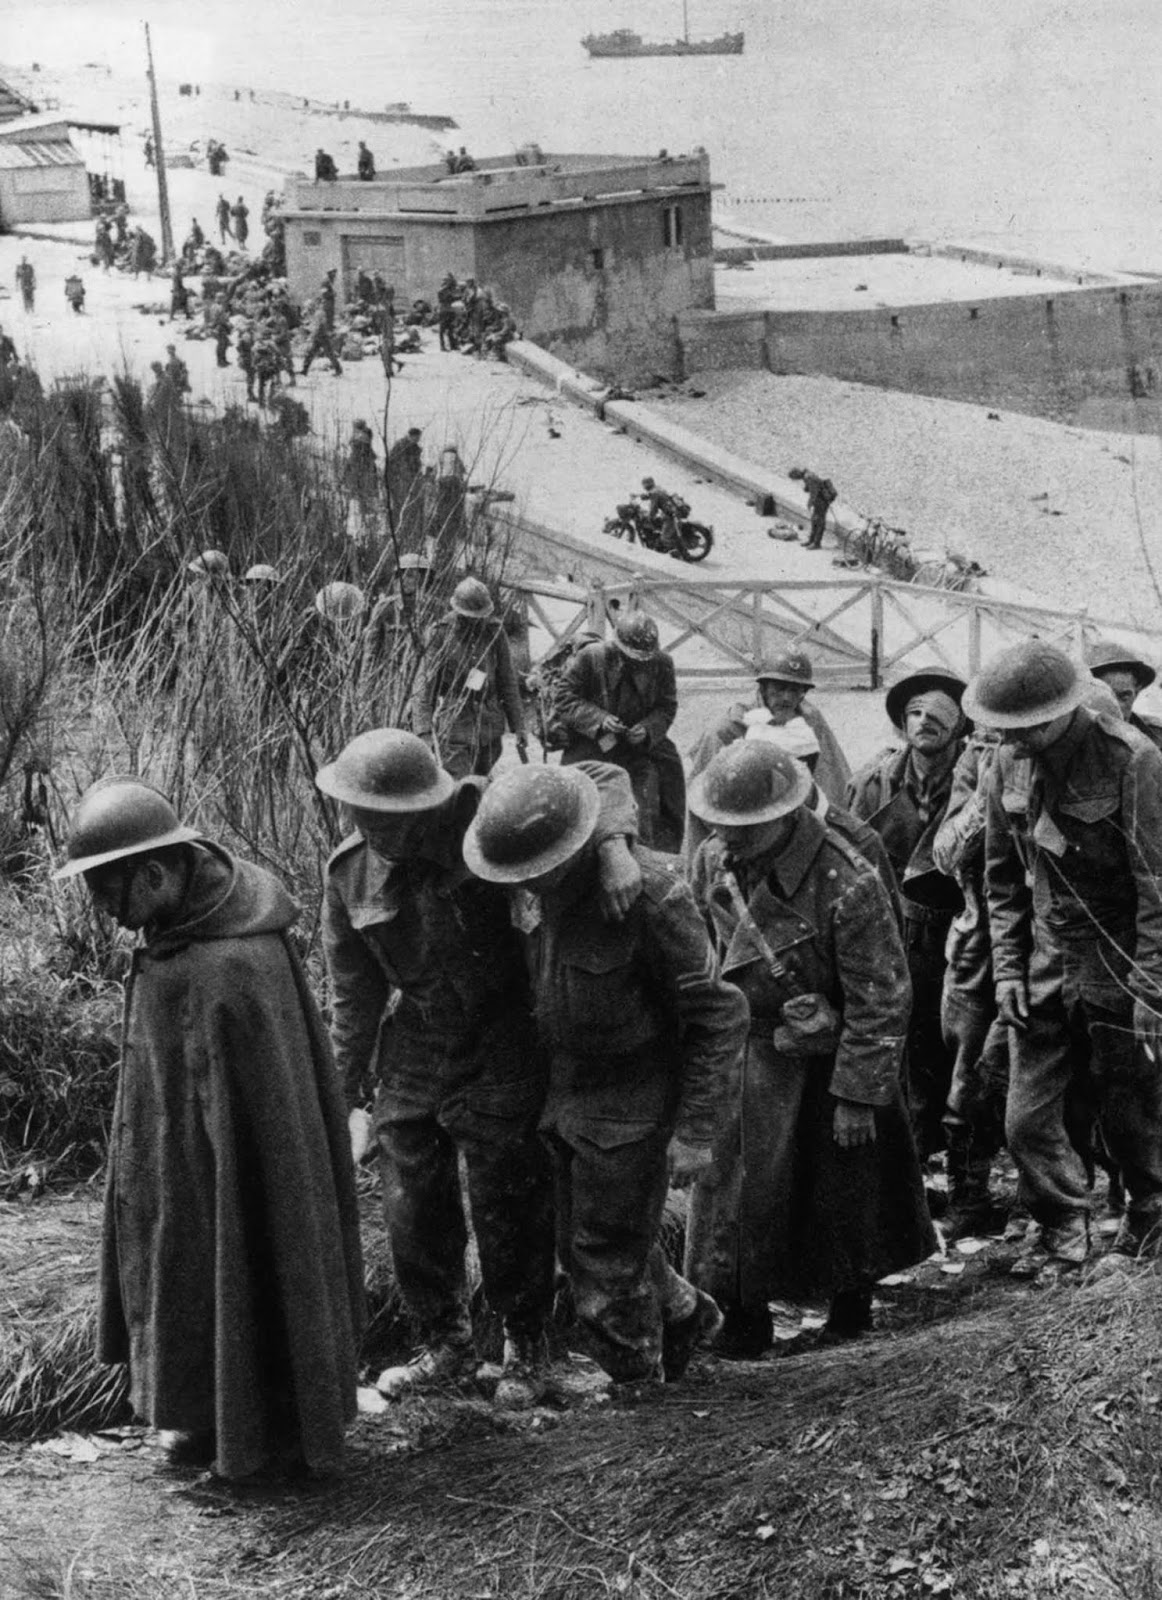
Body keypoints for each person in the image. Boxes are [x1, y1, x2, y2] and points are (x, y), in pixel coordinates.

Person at [317, 730, 641, 1406]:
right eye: (356, 814)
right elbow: (353, 995)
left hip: (505, 1030)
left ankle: (525, 1344)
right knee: (407, 1187)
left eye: (380, 817)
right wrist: (340, 1095)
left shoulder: (485, 810)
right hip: (419, 1036)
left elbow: (597, 776)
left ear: (422, 807)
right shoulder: (349, 873)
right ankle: (444, 1344)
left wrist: (612, 847)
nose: (366, 830)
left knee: (506, 1183)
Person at [54, 778, 364, 1478]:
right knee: (192, 1254)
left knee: (248, 1238)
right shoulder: (190, 921)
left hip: (233, 1154)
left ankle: (268, 1435)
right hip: (184, 1151)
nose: (108, 916)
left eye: (111, 898)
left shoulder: (228, 959)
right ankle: (203, 1414)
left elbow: (255, 1102)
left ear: (157, 872)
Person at [463, 763, 748, 1386]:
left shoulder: (646, 895)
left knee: (602, 1263)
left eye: (539, 871)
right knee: (585, 1244)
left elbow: (719, 1016)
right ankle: (682, 1315)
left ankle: (635, 1395)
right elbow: (584, 770)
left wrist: (697, 1132)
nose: (528, 884)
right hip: (564, 1098)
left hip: (631, 1105)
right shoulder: (534, 878)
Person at [684, 741, 935, 1355]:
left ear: (785, 816)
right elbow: (700, 953)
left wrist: (856, 1095)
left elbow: (883, 996)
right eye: (721, 824)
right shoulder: (714, 861)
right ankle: (741, 1319)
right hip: (747, 1052)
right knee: (732, 1196)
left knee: (844, 1189)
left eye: (744, 826)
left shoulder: (845, 878)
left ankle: (850, 1312)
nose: (726, 837)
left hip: (826, 1061)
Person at [969, 641, 1162, 1272]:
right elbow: (1001, 882)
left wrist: (1150, 986)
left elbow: (1155, 883)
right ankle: (1062, 1223)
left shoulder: (1131, 759)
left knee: (1128, 1107)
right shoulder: (1006, 764)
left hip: (1117, 955)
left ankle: (1148, 1217)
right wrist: (1006, 972)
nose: (1012, 740)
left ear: (1058, 714)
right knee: (1023, 1115)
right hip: (1044, 961)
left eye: (1023, 729)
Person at [846, 668, 968, 1160]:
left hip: (960, 926)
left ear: (960, 727)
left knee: (955, 1044)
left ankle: (955, 1147)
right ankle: (913, 1148)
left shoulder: (975, 776)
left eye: (937, 717)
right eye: (914, 714)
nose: (923, 723)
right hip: (894, 926)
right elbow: (851, 853)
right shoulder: (874, 781)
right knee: (903, 1039)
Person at [930, 729, 1011, 1240]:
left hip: (1045, 941)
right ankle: (970, 1191)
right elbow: (946, 854)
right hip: (978, 943)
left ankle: (1045, 1203)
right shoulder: (976, 760)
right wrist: (986, 791)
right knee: (968, 1075)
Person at [555, 610, 685, 852]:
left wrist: (647, 729)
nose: (640, 664)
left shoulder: (663, 663)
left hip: (640, 746)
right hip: (594, 741)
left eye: (645, 659)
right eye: (634, 659)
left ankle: (658, 854)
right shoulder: (592, 657)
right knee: (571, 796)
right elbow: (563, 698)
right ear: (619, 647)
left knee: (667, 787)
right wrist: (600, 719)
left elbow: (666, 706)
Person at [687, 651, 851, 829]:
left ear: (804, 693)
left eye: (795, 690)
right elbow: (705, 799)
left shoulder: (810, 719)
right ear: (763, 688)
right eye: (779, 688)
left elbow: (833, 776)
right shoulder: (727, 727)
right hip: (741, 819)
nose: (787, 697)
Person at [411, 577, 527, 777]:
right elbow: (424, 686)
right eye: (469, 617)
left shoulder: (495, 632)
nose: (475, 621)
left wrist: (518, 726)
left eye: (480, 617)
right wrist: (423, 732)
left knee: (482, 784)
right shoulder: (440, 634)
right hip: (455, 726)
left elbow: (507, 681)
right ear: (458, 612)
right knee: (461, 787)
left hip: (489, 727)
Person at [1086, 638, 1162, 752]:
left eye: (1123, 697)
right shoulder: (1074, 735)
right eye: (1106, 696)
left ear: (1136, 693)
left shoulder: (1156, 734)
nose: (1115, 705)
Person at [385, 425, 424, 540]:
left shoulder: (415, 449)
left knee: (409, 507)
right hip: (401, 482)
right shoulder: (401, 446)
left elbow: (416, 466)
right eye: (417, 437)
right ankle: (400, 532)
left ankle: (408, 532)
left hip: (410, 482)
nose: (418, 440)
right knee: (401, 507)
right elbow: (393, 463)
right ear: (411, 436)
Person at [788, 466, 838, 550]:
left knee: (819, 522)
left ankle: (816, 543)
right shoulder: (807, 475)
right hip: (819, 501)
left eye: (795, 478)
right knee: (814, 520)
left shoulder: (808, 477)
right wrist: (806, 488)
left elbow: (814, 493)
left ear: (796, 474)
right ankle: (811, 540)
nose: (796, 479)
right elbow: (812, 487)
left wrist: (809, 504)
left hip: (821, 501)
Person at [301, 300, 342, 377]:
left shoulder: (318, 313)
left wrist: (311, 336)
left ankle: (338, 369)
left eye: (308, 307)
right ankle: (304, 370)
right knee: (311, 353)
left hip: (322, 336)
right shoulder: (316, 313)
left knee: (328, 354)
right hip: (319, 336)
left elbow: (317, 326)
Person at [436, 273, 459, 351]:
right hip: (444, 310)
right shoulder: (442, 290)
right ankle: (442, 346)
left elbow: (453, 298)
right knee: (442, 329)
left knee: (451, 328)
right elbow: (442, 298)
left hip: (450, 310)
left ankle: (452, 345)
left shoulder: (450, 289)